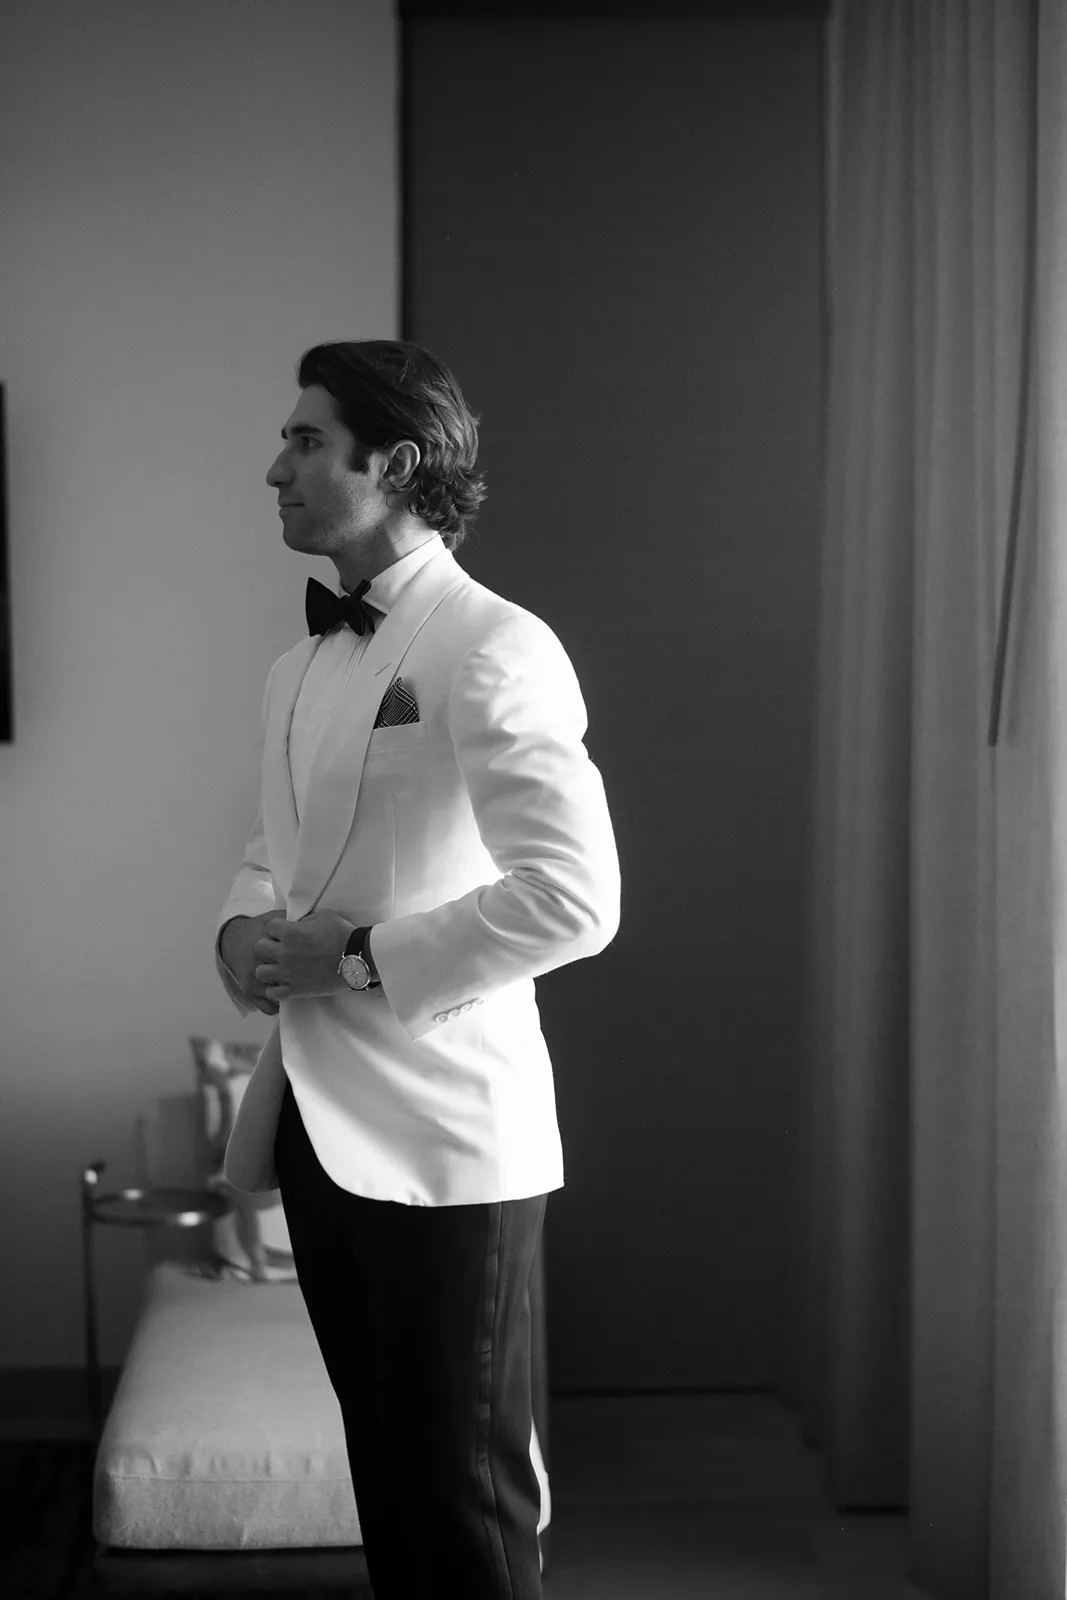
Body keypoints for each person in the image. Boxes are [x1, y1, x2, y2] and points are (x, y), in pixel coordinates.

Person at [214, 339, 620, 1599]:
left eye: (304, 442)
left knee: (461, 1499)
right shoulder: (299, 665)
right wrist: (239, 931)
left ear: (391, 464)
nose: (273, 466)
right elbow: (271, 848)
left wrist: (351, 956)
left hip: (448, 1141)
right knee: (389, 1484)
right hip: (315, 1130)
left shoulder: (493, 643)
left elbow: (573, 897)